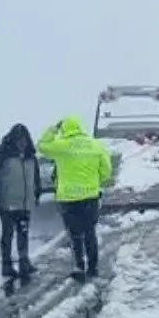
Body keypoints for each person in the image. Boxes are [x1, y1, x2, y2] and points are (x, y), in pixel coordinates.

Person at [37, 115, 113, 281]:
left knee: (75, 234)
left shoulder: (62, 146)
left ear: (65, 130)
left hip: (68, 199)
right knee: (90, 232)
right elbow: (106, 171)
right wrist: (94, 180)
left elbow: (41, 146)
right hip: (90, 197)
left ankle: (79, 266)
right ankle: (93, 268)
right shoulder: (95, 145)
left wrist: (53, 129)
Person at [0, 123, 41, 278]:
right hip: (7, 204)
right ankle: (7, 265)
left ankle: (24, 262)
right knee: (7, 235)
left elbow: (36, 179)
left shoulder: (31, 157)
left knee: (23, 233)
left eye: (25, 141)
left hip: (24, 203)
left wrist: (36, 195)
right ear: (13, 140)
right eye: (19, 141)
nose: (23, 144)